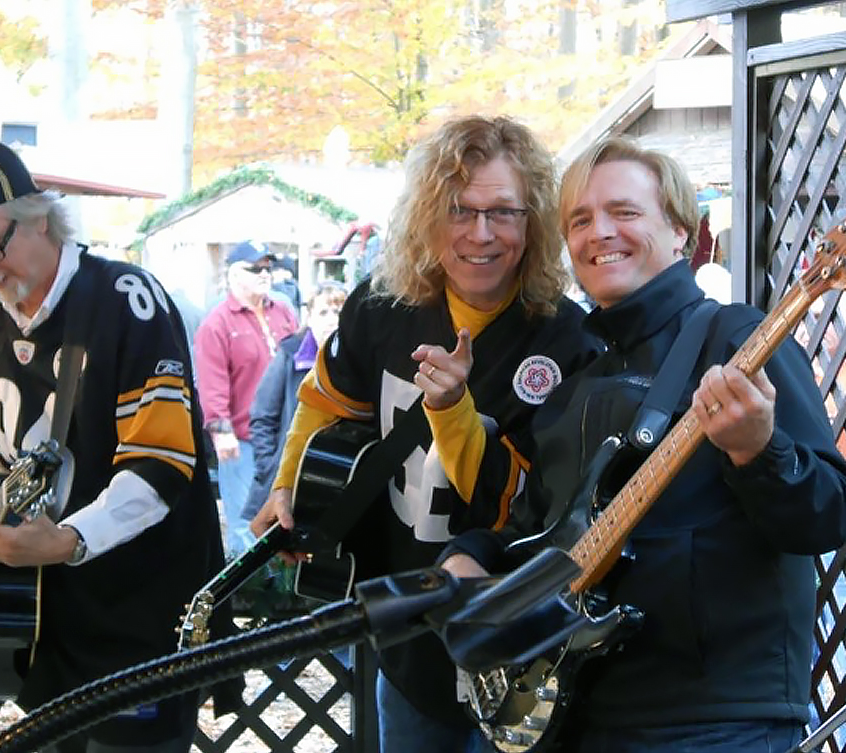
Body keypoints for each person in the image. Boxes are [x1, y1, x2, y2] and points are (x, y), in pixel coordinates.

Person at [440, 136, 846, 752]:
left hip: (719, 725)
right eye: (580, 219)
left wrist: (758, 449)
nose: (599, 231)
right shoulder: (576, 387)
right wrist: (470, 558)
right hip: (580, 722)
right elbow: (536, 530)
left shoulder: (739, 339)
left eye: (624, 212)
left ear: (681, 231)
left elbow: (828, 516)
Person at [250, 115, 602, 753]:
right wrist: (285, 487)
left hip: (519, 647)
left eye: (504, 212)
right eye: (459, 211)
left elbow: (535, 505)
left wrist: (451, 409)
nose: (481, 234)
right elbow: (323, 404)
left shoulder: (567, 342)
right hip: (408, 636)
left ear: (535, 222)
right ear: (427, 216)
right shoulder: (379, 308)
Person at [0, 141, 241, 752]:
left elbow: (161, 462)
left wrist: (69, 539)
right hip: (30, 612)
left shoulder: (127, 300)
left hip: (140, 605)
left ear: (40, 216)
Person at [194, 240, 298, 557]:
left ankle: (280, 586)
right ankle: (251, 589)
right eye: (255, 268)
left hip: (283, 433)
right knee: (245, 518)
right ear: (235, 274)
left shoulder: (283, 312)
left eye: (267, 267)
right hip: (242, 438)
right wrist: (221, 432)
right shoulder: (217, 322)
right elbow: (211, 381)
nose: (264, 274)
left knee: (282, 514)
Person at [245, 280, 347, 520]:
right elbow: (263, 416)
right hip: (287, 476)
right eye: (323, 312)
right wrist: (269, 466)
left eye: (338, 312)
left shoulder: (354, 360)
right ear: (309, 317)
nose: (331, 319)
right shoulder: (290, 354)